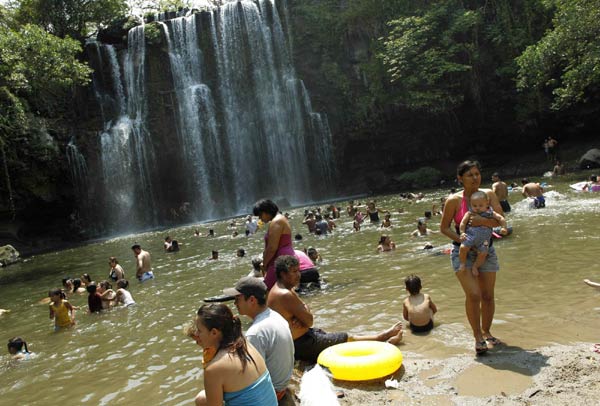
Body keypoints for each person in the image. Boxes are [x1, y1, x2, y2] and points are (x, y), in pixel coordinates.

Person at [267, 255, 403, 364]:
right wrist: (303, 315)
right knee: (346, 338)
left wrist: (303, 313)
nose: (299, 275)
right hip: (302, 345)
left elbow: (305, 311)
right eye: (294, 271)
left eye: (298, 270)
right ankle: (382, 338)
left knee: (334, 337)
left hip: (301, 340)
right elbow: (309, 321)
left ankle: (382, 338)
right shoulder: (284, 294)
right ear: (283, 274)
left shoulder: (280, 289)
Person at [440, 160, 504, 355]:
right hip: (463, 252)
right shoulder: (454, 200)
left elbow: (499, 219)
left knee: (488, 296)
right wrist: (460, 237)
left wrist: (482, 220)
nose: (475, 178)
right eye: (470, 175)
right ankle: (477, 337)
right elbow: (444, 228)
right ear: (460, 178)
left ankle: (487, 332)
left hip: (486, 250)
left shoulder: (489, 195)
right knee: (474, 295)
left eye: (477, 174)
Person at [186, 304, 277, 406]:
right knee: (202, 398)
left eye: (199, 330)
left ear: (214, 332)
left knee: (201, 399)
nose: (196, 334)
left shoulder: (214, 368)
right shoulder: (244, 344)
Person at [222, 277, 294, 402]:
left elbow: (251, 378)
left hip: (274, 392)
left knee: (206, 397)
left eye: (237, 299)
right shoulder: (274, 315)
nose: (234, 304)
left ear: (251, 300)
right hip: (283, 384)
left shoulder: (255, 333)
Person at [458, 191, 508, 276]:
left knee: (483, 253)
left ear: (487, 203)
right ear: (470, 204)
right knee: (463, 248)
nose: (477, 208)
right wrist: (462, 233)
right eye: (474, 206)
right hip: (470, 236)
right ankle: (462, 263)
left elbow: (501, 218)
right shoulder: (470, 213)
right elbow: (462, 223)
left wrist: (504, 227)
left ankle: (475, 266)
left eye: (480, 205)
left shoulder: (490, 213)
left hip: (484, 240)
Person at [253, 199, 294, 290]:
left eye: (260, 215)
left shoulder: (277, 221)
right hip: (283, 260)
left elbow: (272, 248)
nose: (260, 219)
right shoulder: (280, 219)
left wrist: (265, 263)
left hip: (280, 261)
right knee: (283, 290)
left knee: (269, 290)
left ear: (267, 211)